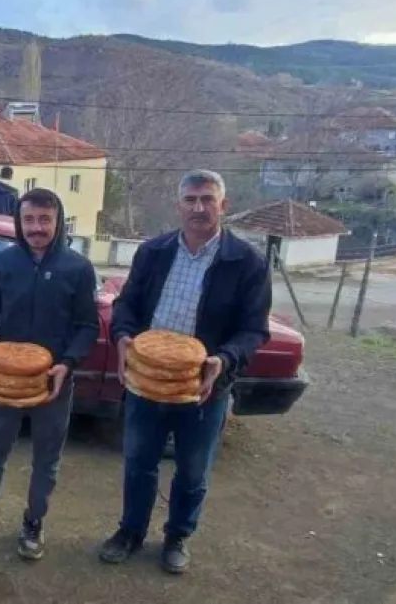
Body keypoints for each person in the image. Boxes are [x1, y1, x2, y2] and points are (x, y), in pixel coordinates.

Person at [98, 170, 271, 575]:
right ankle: (130, 532)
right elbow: (127, 306)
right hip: (146, 385)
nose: (198, 207)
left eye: (207, 199)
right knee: (139, 462)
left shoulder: (246, 262)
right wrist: (123, 337)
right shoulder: (154, 252)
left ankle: (177, 537)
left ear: (223, 205)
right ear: (178, 205)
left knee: (193, 470)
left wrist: (224, 359)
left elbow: (253, 330)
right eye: (190, 199)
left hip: (203, 388)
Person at [0, 188, 99, 559]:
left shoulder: (77, 268)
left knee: (46, 457)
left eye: (45, 219)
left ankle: (33, 522)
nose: (36, 227)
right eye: (29, 219)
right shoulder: (5, 262)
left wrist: (68, 363)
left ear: (58, 221)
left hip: (54, 382)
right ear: (19, 221)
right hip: (5, 382)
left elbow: (87, 326)